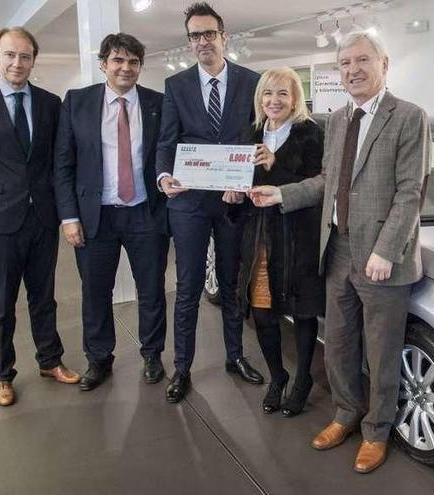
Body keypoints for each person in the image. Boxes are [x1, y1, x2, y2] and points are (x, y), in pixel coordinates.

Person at [249, 32, 430, 473]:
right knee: (340, 346)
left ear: (383, 63)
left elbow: (411, 192)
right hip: (337, 249)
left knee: (381, 351)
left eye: (362, 60)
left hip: (382, 258)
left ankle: (377, 431)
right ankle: (346, 414)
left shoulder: (408, 116)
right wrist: (280, 194)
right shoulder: (338, 119)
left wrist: (387, 250)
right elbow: (326, 183)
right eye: (345, 63)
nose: (353, 70)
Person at [0, 27, 80, 407]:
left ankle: (50, 360)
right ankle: (2, 375)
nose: (17, 63)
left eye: (24, 56)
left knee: (45, 298)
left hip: (42, 218)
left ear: (33, 60)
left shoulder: (49, 103)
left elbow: (58, 160)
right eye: (9, 55)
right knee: (1, 303)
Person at [155, 2, 262, 404]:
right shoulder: (177, 86)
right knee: (187, 288)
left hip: (234, 200)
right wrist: (164, 176)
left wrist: (248, 181)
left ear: (223, 36)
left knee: (233, 285)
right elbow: (167, 141)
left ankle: (235, 356)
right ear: (190, 42)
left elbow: (258, 141)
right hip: (189, 203)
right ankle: (182, 368)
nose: (203, 41)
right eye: (195, 35)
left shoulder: (251, 82)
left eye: (209, 33)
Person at [53, 33, 168, 391]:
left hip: (144, 213)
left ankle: (152, 354)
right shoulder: (77, 102)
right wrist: (69, 216)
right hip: (94, 215)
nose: (126, 68)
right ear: (104, 63)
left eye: (133, 62)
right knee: (95, 292)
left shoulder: (157, 103)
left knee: (151, 290)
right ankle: (99, 359)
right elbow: (63, 164)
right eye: (118, 60)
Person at [223, 68, 324, 417]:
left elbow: (316, 188)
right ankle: (278, 376)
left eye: (282, 93)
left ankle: (303, 380)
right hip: (259, 239)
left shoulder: (311, 134)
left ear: (295, 97)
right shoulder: (249, 133)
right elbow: (240, 185)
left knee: (302, 311)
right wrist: (233, 198)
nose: (274, 101)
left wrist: (276, 166)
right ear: (259, 98)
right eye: (268, 94)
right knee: (263, 313)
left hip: (297, 239)